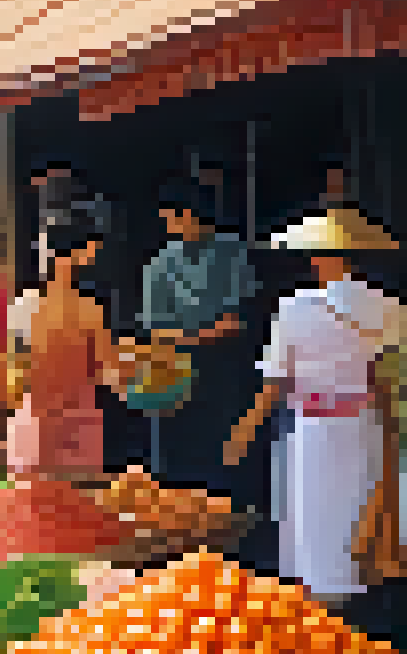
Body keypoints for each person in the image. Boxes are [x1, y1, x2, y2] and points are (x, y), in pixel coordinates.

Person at [226, 206, 406, 604]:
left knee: (316, 519)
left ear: (324, 258)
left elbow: (275, 380)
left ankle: (321, 601)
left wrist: (246, 427)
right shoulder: (391, 309)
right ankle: (368, 592)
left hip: (315, 428)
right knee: (362, 509)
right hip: (369, 428)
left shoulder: (295, 308)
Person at [139, 177, 262, 497]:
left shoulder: (231, 253)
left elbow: (234, 324)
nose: (171, 225)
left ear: (194, 214)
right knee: (175, 469)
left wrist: (183, 334)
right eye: (167, 218)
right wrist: (203, 332)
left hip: (223, 377)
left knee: (222, 468)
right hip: (173, 377)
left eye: (176, 216)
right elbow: (156, 333)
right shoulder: (158, 264)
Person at [6, 213, 118, 483]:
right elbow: (107, 372)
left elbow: (13, 372)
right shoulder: (89, 310)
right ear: (77, 255)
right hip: (78, 427)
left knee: (34, 515)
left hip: (31, 425)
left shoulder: (23, 305)